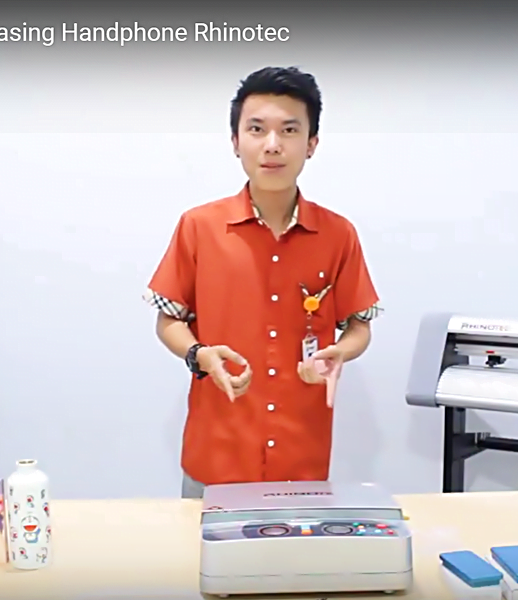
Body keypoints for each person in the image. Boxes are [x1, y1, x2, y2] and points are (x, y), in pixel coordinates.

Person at [144, 66, 381, 499]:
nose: (273, 145)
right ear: (236, 141)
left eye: (289, 130)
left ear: (311, 143)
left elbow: (359, 326)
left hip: (303, 460)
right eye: (257, 129)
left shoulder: (338, 234)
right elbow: (169, 321)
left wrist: (340, 353)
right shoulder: (199, 227)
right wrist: (199, 354)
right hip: (215, 457)